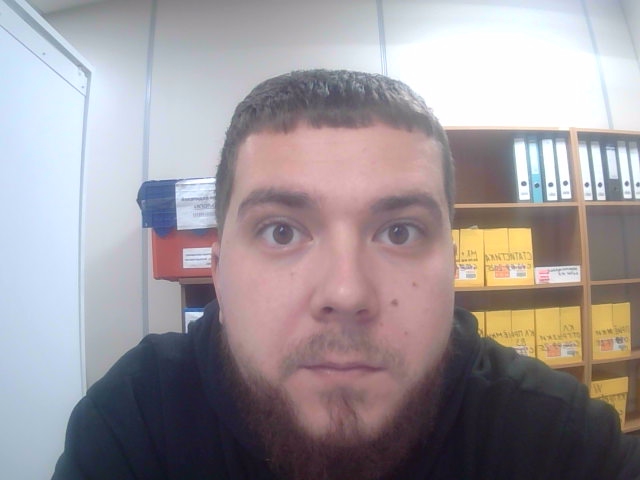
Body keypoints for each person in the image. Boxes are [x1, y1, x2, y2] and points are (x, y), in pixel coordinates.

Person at [53, 69, 640, 480]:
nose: (346, 292)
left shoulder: (555, 437)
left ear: (453, 268)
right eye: (281, 231)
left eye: (399, 231)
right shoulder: (137, 421)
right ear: (218, 273)